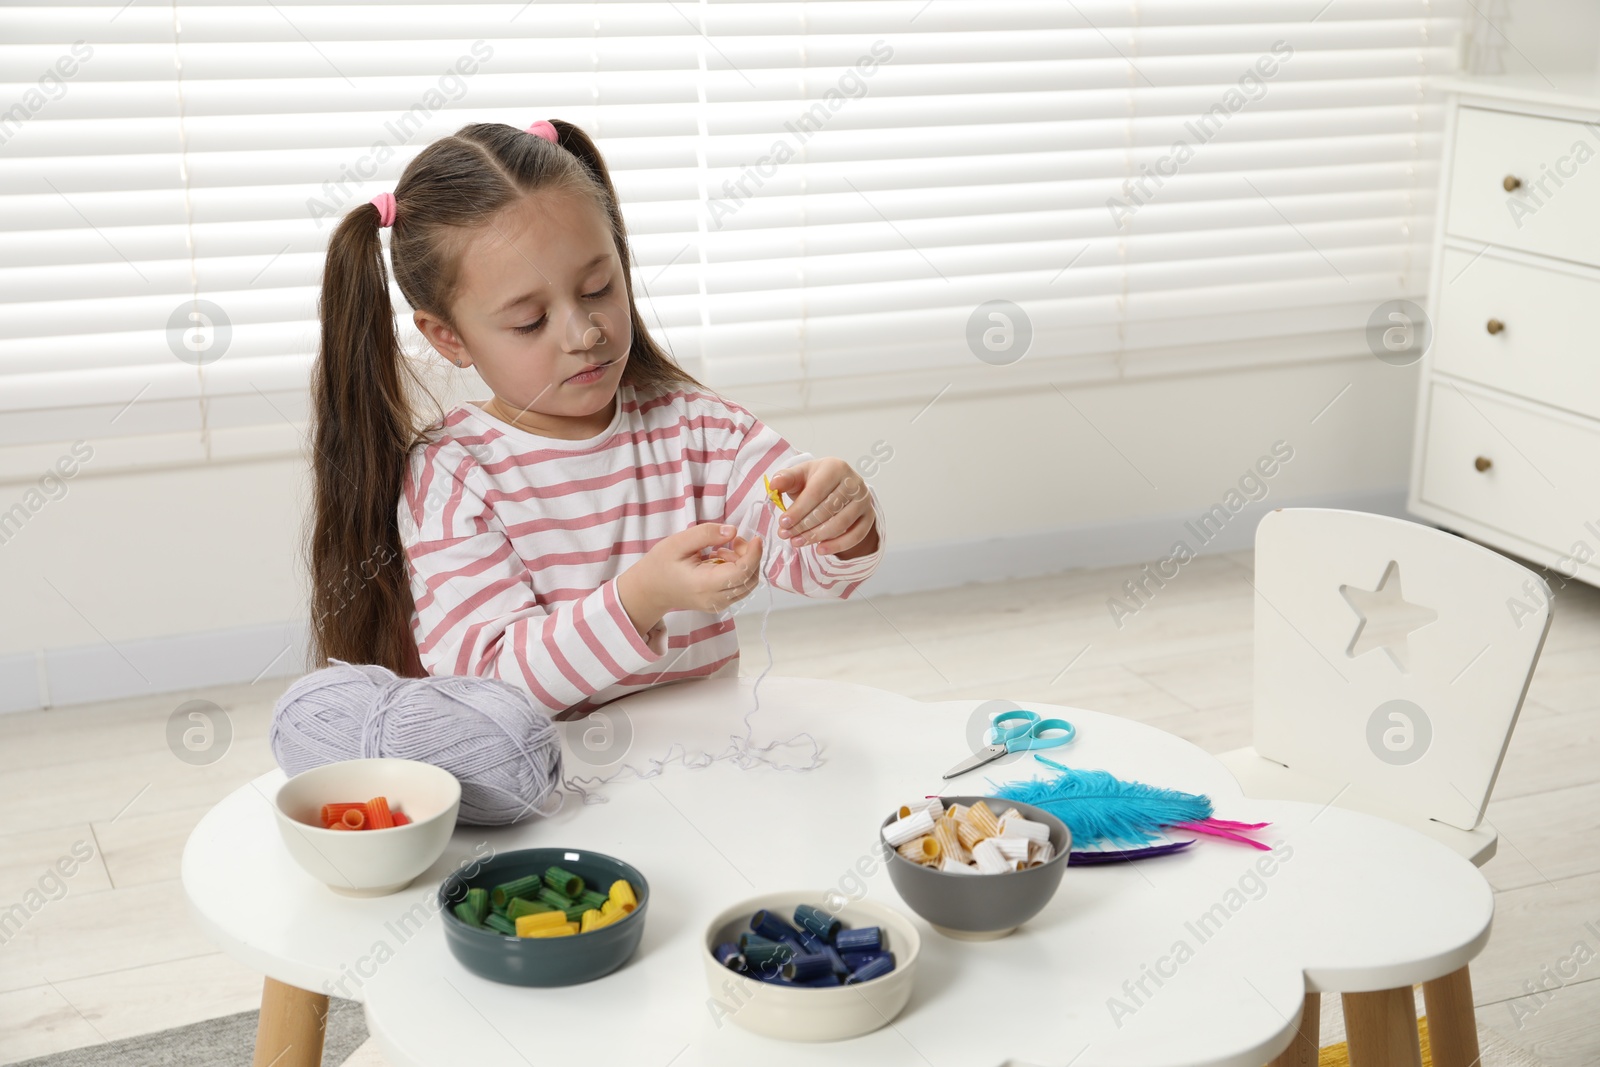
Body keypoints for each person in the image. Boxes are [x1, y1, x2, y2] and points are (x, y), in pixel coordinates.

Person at [307, 118, 886, 720]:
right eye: (530, 321)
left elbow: (822, 569)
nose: (586, 332)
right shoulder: (455, 477)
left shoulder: (701, 430)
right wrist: (642, 597)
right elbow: (491, 687)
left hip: (713, 766)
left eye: (599, 287)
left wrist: (842, 516)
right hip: (549, 793)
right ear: (448, 336)